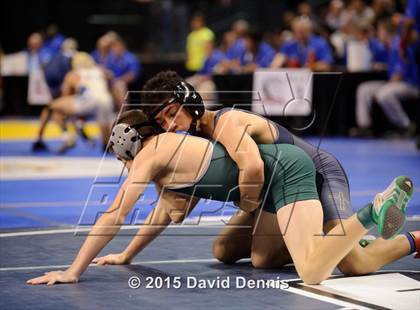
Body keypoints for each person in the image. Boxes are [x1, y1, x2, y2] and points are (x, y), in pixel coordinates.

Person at [26, 109, 416, 286]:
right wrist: (127, 255)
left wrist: (73, 270)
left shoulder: (152, 153)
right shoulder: (167, 157)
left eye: (120, 160)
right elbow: (163, 215)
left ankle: (370, 213)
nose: (124, 168)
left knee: (313, 272)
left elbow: (114, 213)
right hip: (273, 183)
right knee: (229, 250)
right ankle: (382, 237)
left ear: (128, 146)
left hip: (287, 170)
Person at [135, 71, 418, 272]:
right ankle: (325, 239)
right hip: (272, 193)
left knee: (354, 263)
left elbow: (254, 170)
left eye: (172, 114)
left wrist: (245, 202)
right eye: (162, 122)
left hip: (317, 175)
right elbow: (176, 210)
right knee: (224, 249)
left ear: (190, 101)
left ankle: (413, 239)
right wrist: (126, 254)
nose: (169, 126)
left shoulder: (225, 123)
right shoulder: (197, 146)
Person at [32, 52, 114, 152]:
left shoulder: (73, 74)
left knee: (52, 107)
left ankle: (49, 138)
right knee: (104, 122)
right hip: (106, 98)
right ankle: (106, 144)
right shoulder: (99, 71)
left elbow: (65, 96)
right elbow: (110, 81)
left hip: (88, 100)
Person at [353, 23, 419, 137]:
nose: (378, 35)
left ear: (385, 32)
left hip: (410, 84)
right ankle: (364, 126)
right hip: (394, 83)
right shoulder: (387, 45)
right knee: (364, 89)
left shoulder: (399, 44)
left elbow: (400, 73)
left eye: (379, 32)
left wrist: (388, 83)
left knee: (383, 94)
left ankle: (406, 126)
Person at [105, 36, 140, 109]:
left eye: (116, 46)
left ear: (122, 46)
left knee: (119, 86)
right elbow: (106, 69)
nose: (114, 49)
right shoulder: (111, 58)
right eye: (113, 47)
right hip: (110, 83)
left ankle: (123, 112)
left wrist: (120, 80)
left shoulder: (130, 58)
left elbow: (133, 75)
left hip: (126, 84)